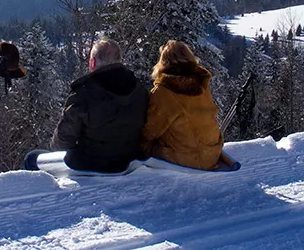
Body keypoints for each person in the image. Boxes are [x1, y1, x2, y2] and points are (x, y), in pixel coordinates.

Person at [32, 39, 149, 173]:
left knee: (32, 158)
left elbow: (64, 139)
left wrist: (55, 151)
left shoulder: (83, 92)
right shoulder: (139, 89)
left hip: (91, 164)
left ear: (93, 62)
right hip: (130, 161)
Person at [140, 40, 223, 170]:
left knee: (143, 145)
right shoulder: (201, 83)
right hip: (212, 153)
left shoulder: (164, 92)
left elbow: (150, 130)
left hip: (189, 159)